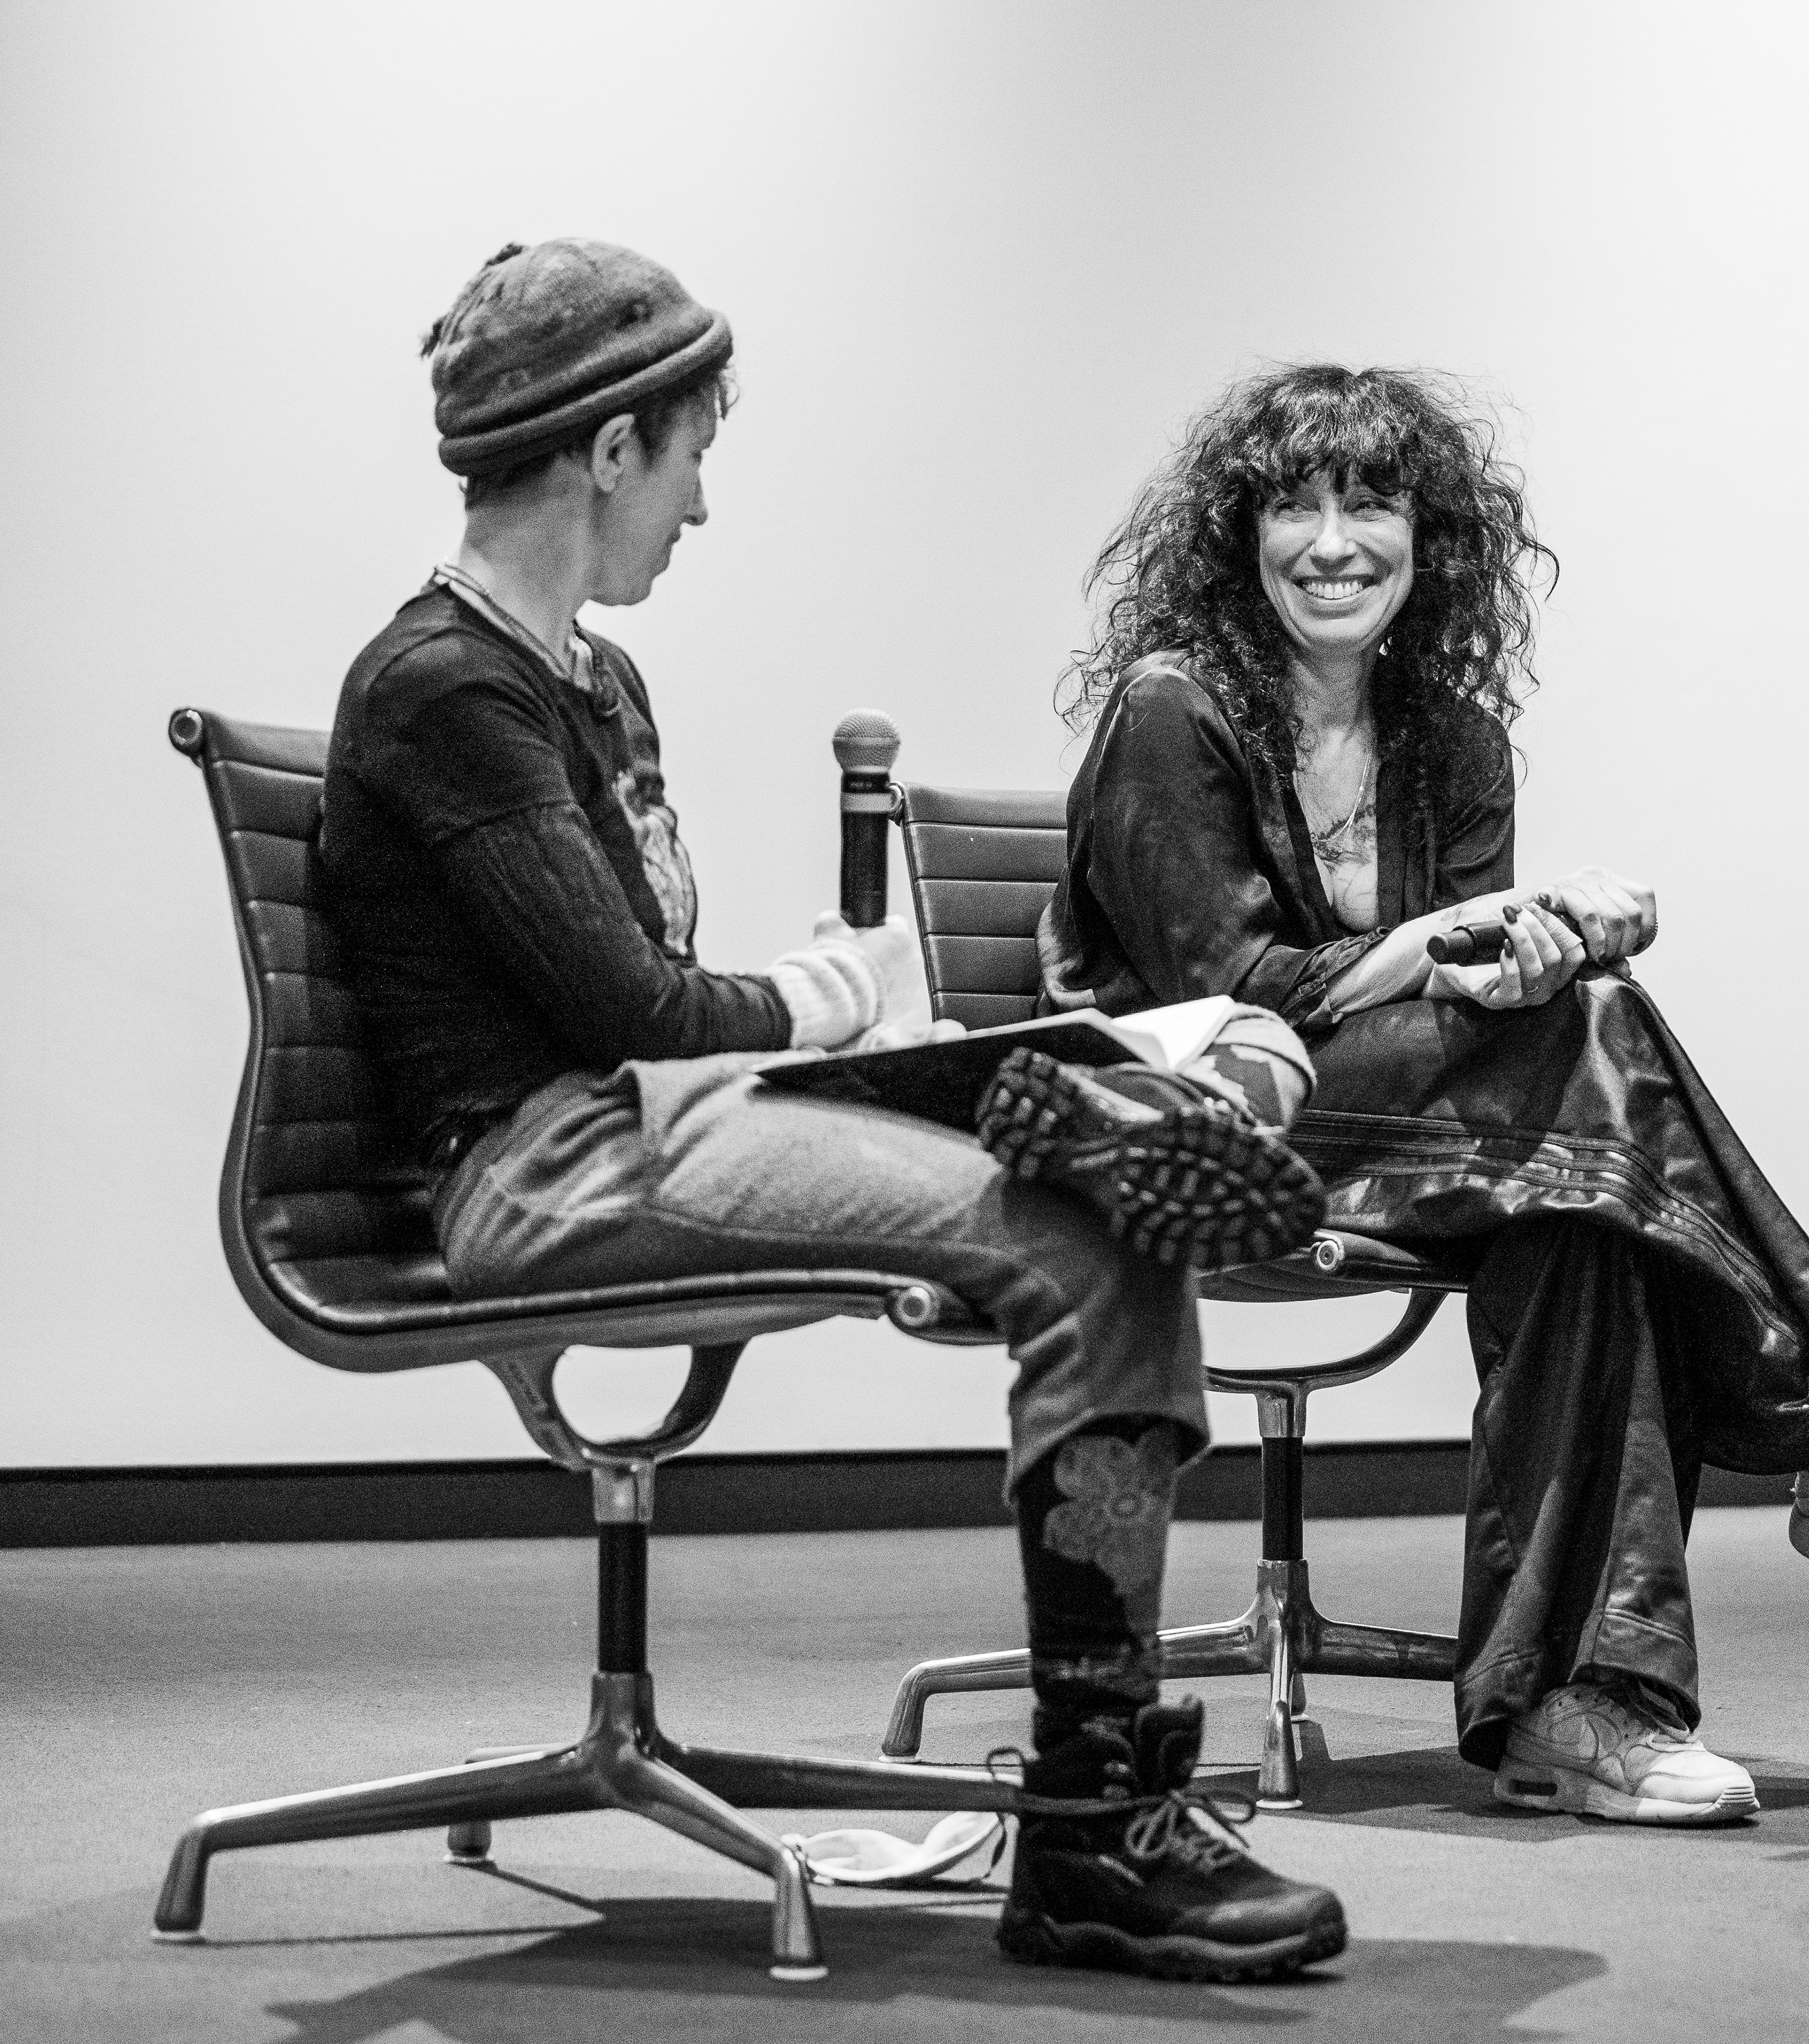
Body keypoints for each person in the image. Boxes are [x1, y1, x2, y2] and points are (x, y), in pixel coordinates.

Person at [317, 239, 1344, 1979]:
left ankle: (1105, 1804)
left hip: (652, 1115)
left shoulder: (583, 679)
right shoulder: (448, 690)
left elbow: (647, 1003)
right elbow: (637, 1008)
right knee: (1086, 1238)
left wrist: (824, 1041)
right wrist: (826, 998)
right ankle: (1099, 1832)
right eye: (695, 453)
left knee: (1106, 1202)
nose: (701, 507)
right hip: (550, 1165)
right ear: (610, 449)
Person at [1041, 365, 1809, 1825]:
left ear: (1433, 540)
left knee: (1589, 1207)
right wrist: (1450, 949)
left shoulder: (1453, 738)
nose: (1332, 540)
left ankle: (1581, 1707)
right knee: (1596, 1059)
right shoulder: (1177, 712)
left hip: (1397, 1139)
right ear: (1239, 536)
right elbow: (1228, 999)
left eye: (1373, 502)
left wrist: (1526, 954)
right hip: (1199, 1128)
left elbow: (1469, 1020)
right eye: (1294, 505)